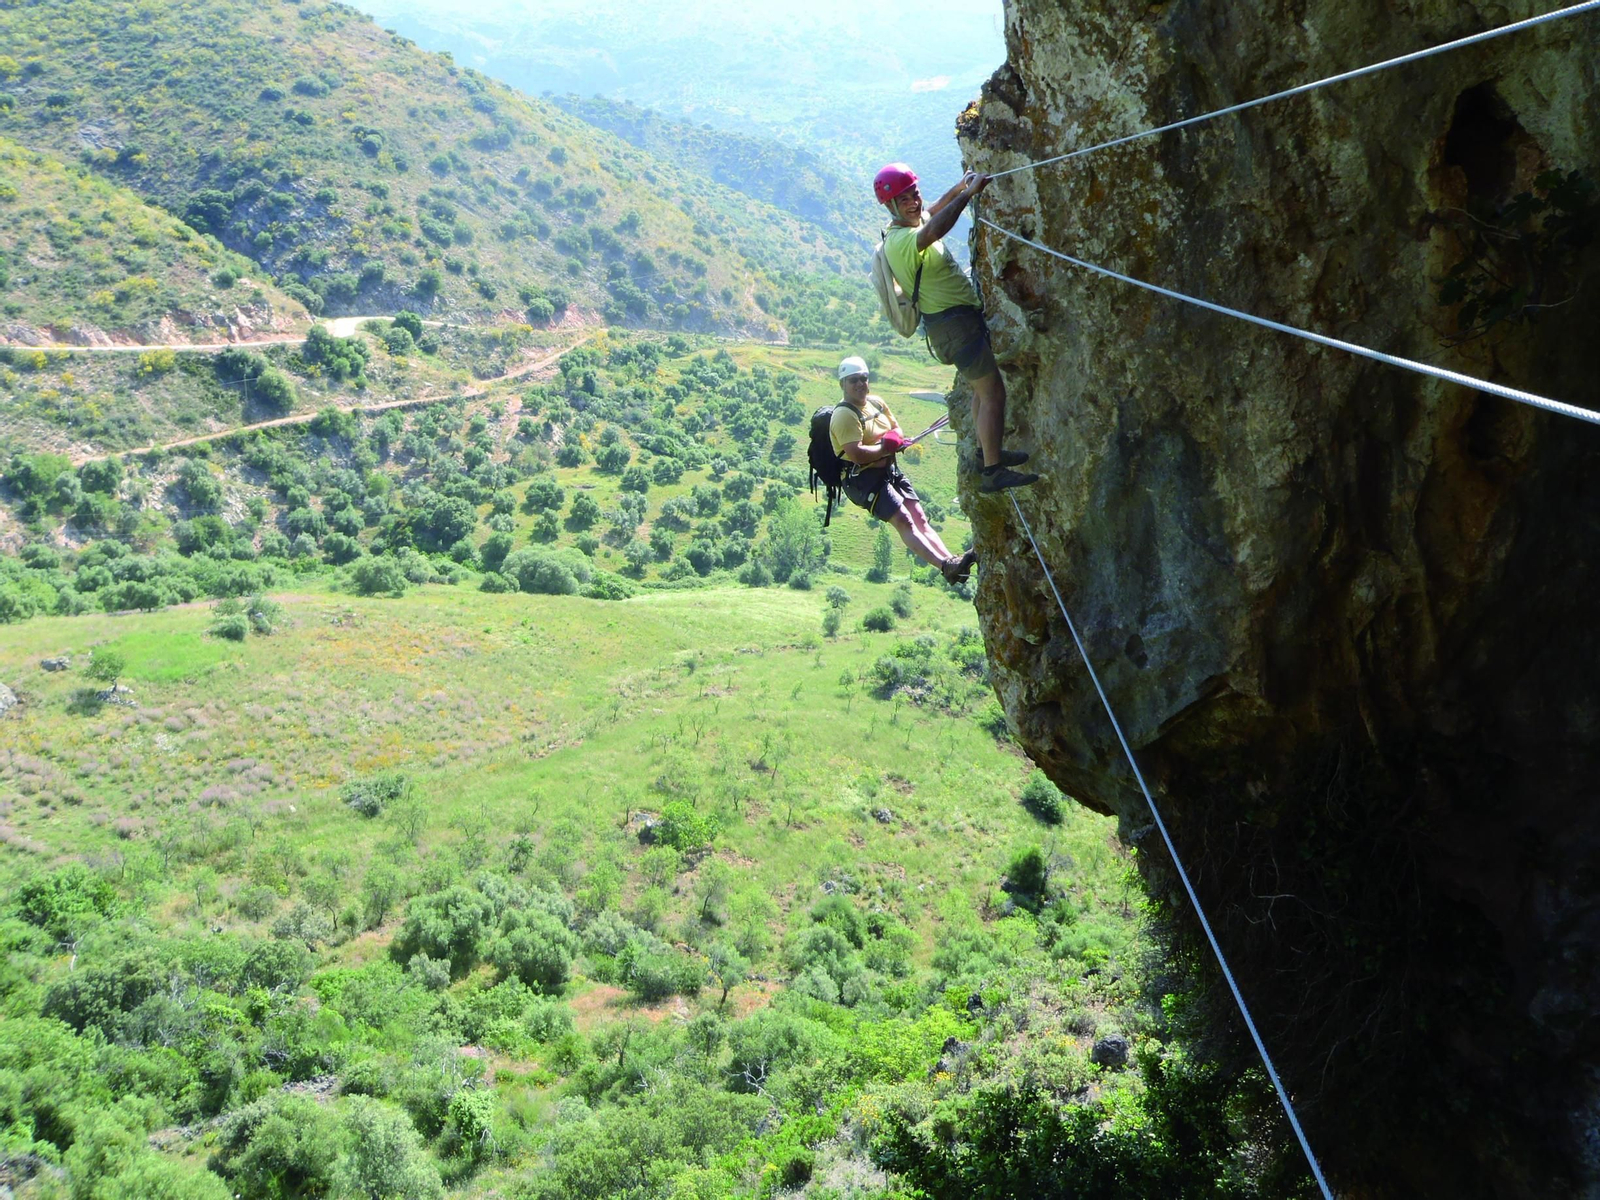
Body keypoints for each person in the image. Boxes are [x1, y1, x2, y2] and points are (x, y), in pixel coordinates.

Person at [874, 162, 1038, 493]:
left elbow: (931, 212)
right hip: (954, 327)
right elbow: (935, 228)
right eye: (904, 199)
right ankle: (992, 471)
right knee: (993, 393)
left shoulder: (909, 224)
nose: (914, 202)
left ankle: (985, 452)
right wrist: (970, 195)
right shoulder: (901, 241)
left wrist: (960, 187)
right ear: (891, 206)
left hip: (955, 324)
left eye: (915, 194)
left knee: (982, 391)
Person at [830, 355, 975, 585]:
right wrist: (884, 447)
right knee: (905, 521)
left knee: (919, 517)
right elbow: (856, 453)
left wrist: (891, 442)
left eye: (864, 378)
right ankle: (945, 566)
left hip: (888, 470)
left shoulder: (875, 402)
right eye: (853, 380)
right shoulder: (844, 415)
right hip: (863, 480)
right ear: (843, 384)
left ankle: (950, 560)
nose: (860, 384)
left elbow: (896, 428)